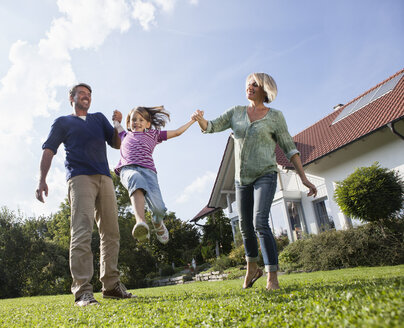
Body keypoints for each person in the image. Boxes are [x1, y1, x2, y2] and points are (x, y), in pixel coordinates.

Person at [192, 73, 317, 290]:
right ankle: (252, 268)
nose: (249, 86)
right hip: (242, 178)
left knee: (260, 222)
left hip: (265, 175)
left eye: (255, 84)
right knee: (245, 226)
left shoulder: (275, 117)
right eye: (248, 83)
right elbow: (211, 126)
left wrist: (303, 178)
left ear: (265, 89)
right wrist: (200, 119)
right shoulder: (236, 112)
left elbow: (289, 148)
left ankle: (272, 277)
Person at [36, 83, 136, 307]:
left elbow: (117, 143)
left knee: (111, 233)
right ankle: (82, 292)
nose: (86, 97)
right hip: (80, 178)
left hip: (105, 178)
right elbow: (49, 149)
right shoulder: (63, 122)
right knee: (81, 232)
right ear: (71, 98)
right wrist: (42, 179)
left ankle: (111, 286)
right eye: (81, 93)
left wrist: (118, 124)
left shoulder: (99, 119)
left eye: (89, 94)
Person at [113, 106, 195, 244]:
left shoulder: (154, 135)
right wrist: (116, 120)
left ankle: (157, 223)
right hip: (127, 169)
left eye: (141, 119)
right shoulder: (124, 135)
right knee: (135, 178)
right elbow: (117, 125)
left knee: (159, 209)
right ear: (128, 123)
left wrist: (192, 121)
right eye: (133, 119)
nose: (137, 122)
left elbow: (176, 132)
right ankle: (140, 222)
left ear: (148, 124)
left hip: (149, 172)